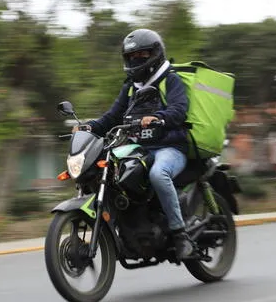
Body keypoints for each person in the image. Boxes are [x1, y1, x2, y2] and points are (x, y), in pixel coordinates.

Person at [73, 28, 195, 259]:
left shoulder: (170, 80)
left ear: (155, 55)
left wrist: (160, 118)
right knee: (112, 176)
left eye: (141, 55)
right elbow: (112, 117)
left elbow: (179, 110)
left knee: (159, 175)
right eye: (131, 57)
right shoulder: (130, 87)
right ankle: (130, 230)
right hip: (139, 149)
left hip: (170, 148)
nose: (135, 61)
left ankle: (180, 234)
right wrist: (89, 127)